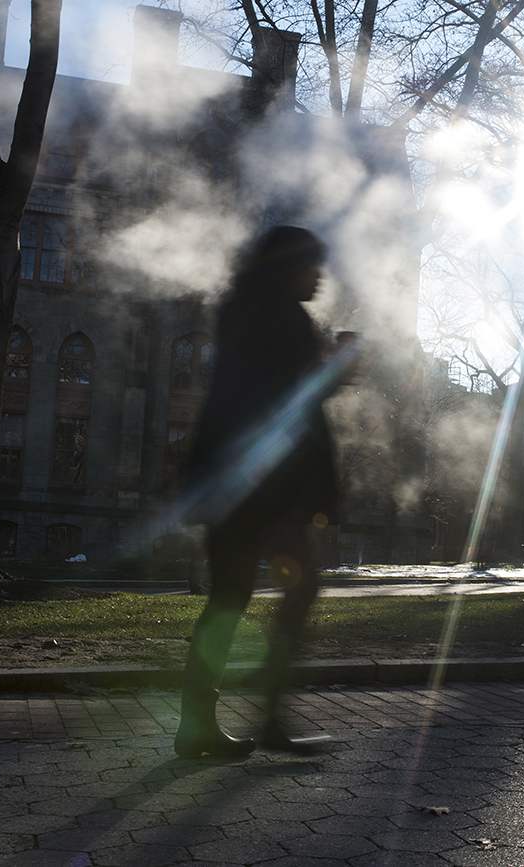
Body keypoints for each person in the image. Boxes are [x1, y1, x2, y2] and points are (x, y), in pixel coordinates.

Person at [174, 226, 347, 758]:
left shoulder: (243, 312)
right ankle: (270, 718)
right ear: (287, 267)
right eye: (312, 266)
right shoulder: (283, 320)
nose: (320, 277)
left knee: (228, 599)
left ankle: (196, 723)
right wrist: (335, 368)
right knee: (300, 589)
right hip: (265, 489)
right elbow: (292, 404)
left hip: (229, 483)